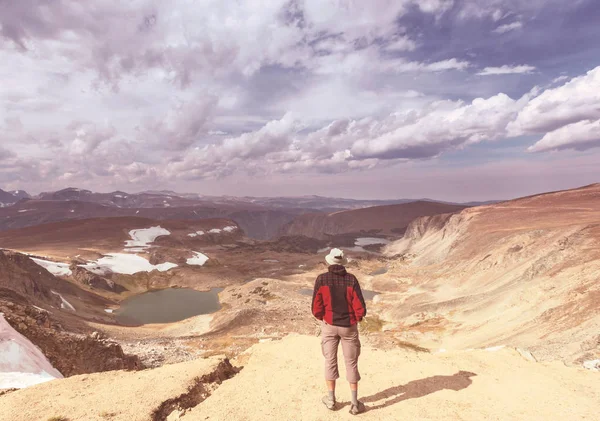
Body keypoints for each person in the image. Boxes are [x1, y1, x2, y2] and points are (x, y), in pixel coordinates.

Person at [311, 248, 367, 415]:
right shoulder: (351, 280)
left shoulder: (321, 279)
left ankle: (331, 400)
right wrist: (357, 318)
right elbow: (360, 306)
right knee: (351, 363)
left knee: (330, 360)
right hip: (348, 327)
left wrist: (324, 318)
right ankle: (355, 404)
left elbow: (316, 307)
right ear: (342, 263)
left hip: (329, 325)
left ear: (329, 261)